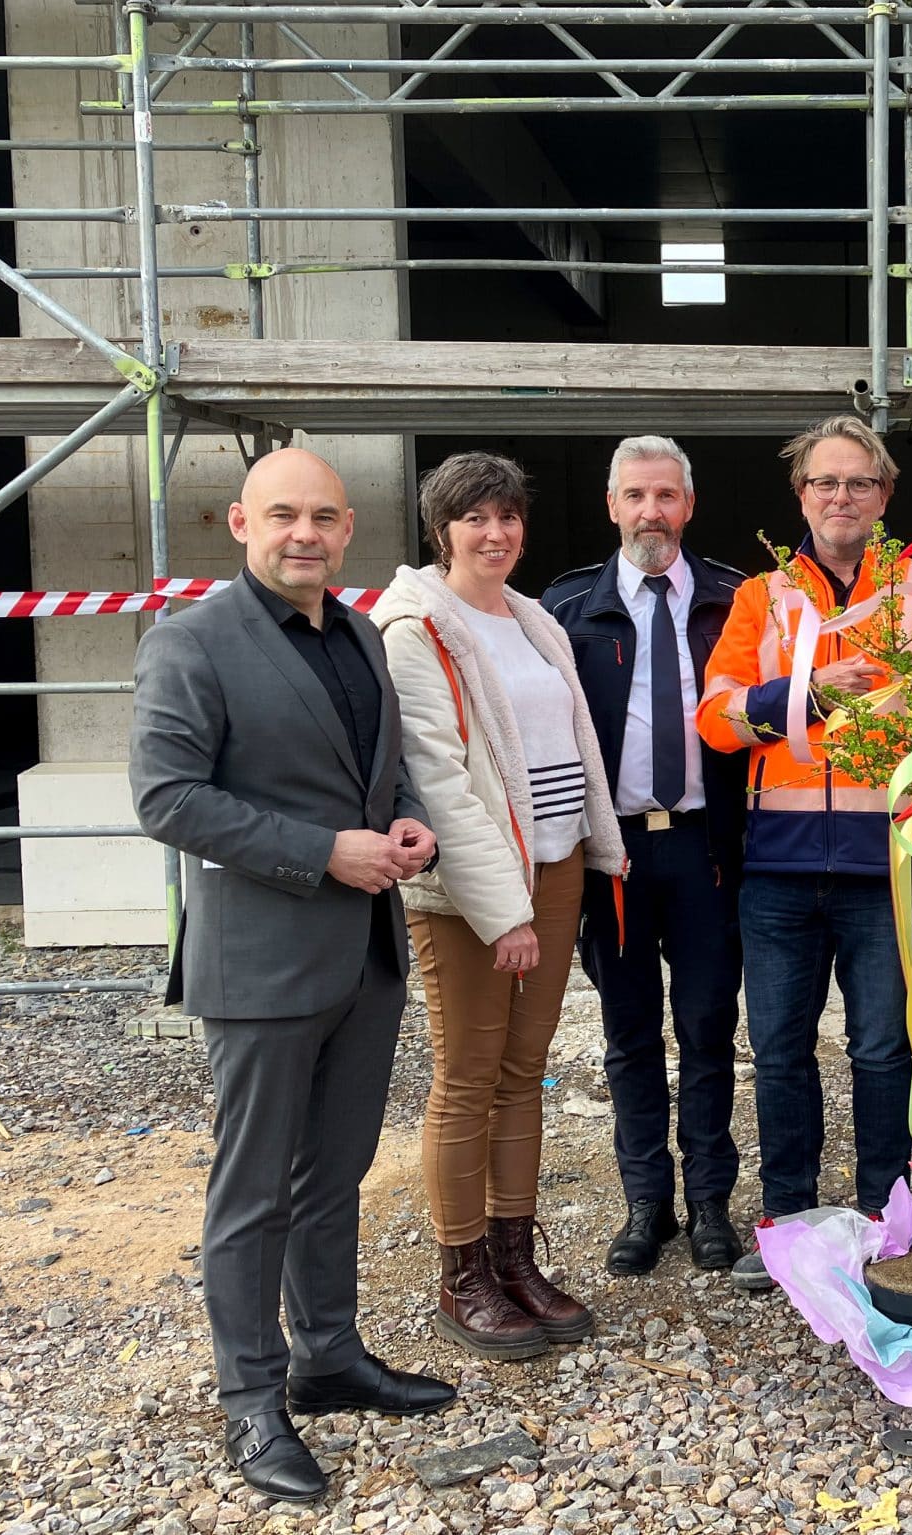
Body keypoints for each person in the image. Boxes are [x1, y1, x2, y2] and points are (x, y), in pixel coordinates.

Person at [130, 447, 452, 1504]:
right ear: (239, 522)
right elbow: (168, 798)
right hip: (263, 961)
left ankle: (327, 1356)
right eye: (282, 515)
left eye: (321, 515)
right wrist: (323, 850)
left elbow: (376, 768)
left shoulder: (358, 632)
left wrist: (398, 818)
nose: (302, 532)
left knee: (334, 1174)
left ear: (347, 527)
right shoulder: (191, 641)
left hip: (362, 954)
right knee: (252, 1190)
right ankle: (250, 1398)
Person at [696, 414, 912, 1290]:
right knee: (781, 1050)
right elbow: (716, 719)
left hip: (885, 867)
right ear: (800, 495)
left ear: (885, 495)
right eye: (825, 482)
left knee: (881, 1051)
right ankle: (789, 1221)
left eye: (859, 482)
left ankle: (879, 1215)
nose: (841, 497)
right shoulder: (762, 597)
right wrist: (806, 690)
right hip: (779, 869)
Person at [370, 452, 626, 1362]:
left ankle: (517, 1257)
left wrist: (587, 856)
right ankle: (462, 1272)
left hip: (555, 870)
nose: (495, 533)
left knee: (525, 1071)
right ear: (441, 530)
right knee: (468, 1075)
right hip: (476, 892)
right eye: (475, 518)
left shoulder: (527, 618)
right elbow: (438, 779)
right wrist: (502, 909)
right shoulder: (415, 629)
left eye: (508, 516)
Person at [544, 435, 749, 1277]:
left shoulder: (737, 601)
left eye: (665, 496)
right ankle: (645, 1203)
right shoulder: (564, 609)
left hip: (706, 849)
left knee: (707, 1029)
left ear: (688, 506)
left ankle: (709, 1202)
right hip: (614, 855)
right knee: (629, 1033)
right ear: (611, 505)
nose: (650, 512)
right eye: (635, 496)